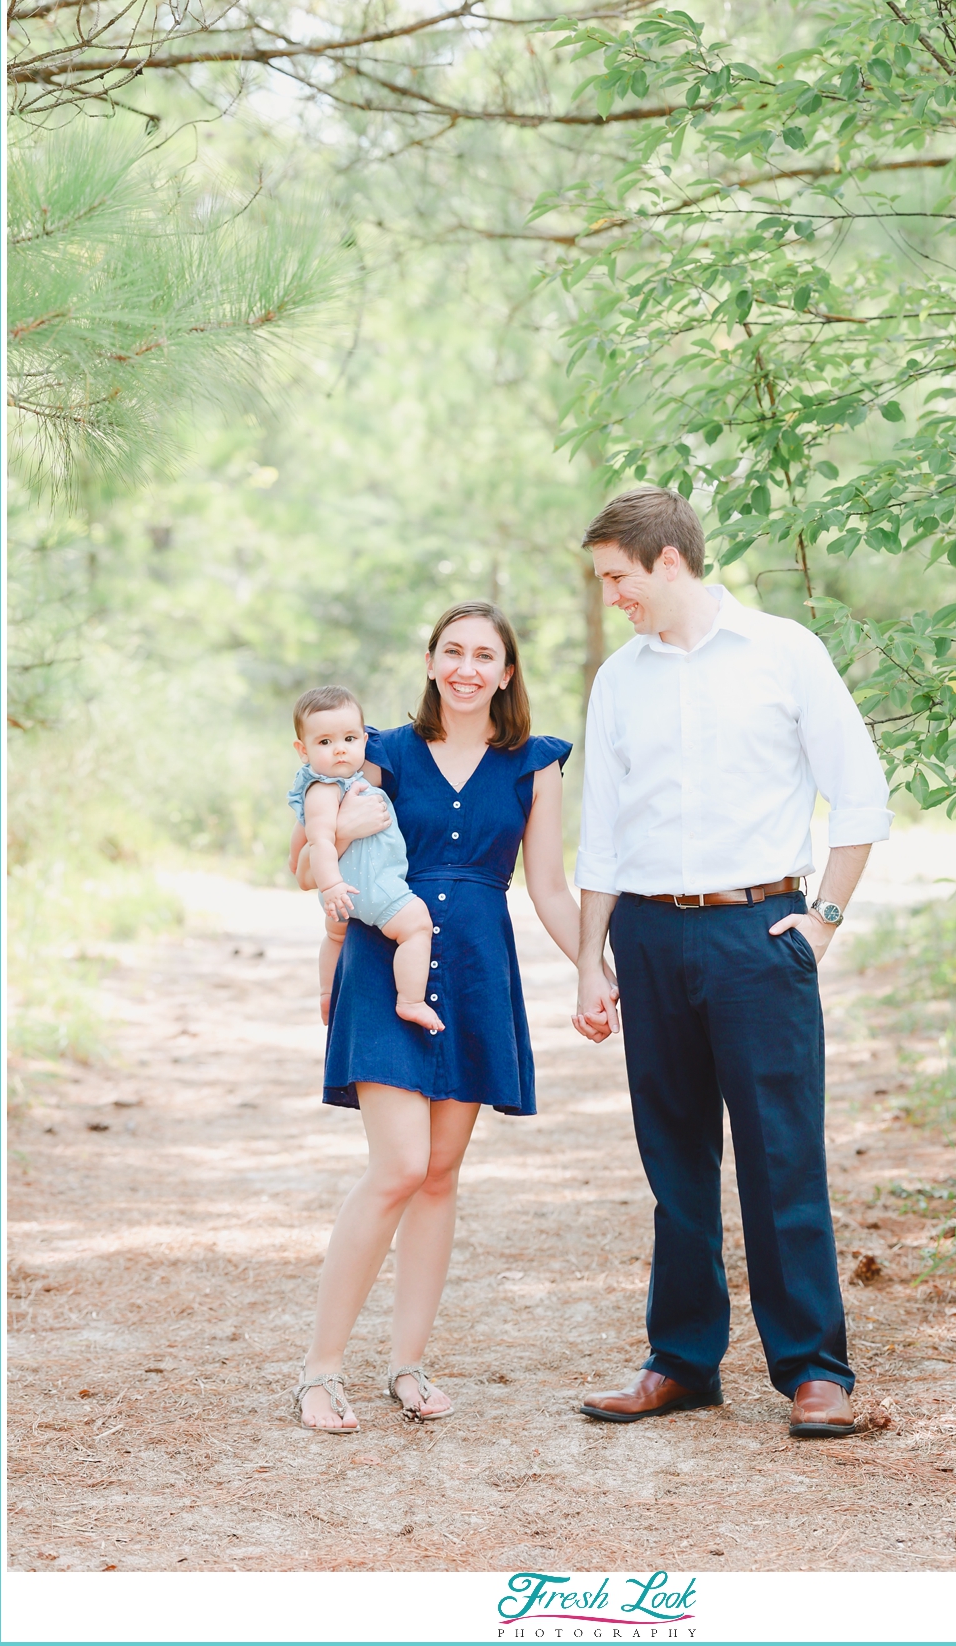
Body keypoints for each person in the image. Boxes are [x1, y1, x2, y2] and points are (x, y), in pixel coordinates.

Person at [571, 488, 892, 1439]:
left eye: (617, 578)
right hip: (649, 935)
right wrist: (590, 959)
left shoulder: (784, 652)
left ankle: (812, 1371)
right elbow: (602, 833)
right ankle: (681, 1361)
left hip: (761, 933)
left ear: (668, 561)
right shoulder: (619, 679)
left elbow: (860, 794)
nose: (611, 597)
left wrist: (824, 920)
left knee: (780, 1153)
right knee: (674, 1159)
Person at [287, 601, 596, 1433]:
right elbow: (309, 854)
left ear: (506, 671)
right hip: (386, 959)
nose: (466, 667)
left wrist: (592, 974)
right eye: (451, 651)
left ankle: (407, 1365)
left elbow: (548, 889)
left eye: (483, 655)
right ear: (430, 662)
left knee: (439, 1176)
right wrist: (342, 826)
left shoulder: (535, 764)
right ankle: (318, 1374)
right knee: (397, 1166)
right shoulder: (380, 750)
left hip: (476, 973)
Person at [288, 685, 442, 1034]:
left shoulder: (335, 784)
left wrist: (332, 891)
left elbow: (296, 851)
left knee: (336, 938)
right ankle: (411, 1000)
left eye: (349, 738)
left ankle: (328, 992)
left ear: (363, 739)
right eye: (325, 742)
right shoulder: (324, 790)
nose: (339, 749)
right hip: (367, 887)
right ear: (303, 750)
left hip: (344, 893)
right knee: (417, 925)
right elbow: (321, 843)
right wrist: (332, 886)